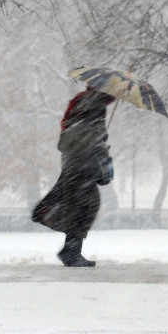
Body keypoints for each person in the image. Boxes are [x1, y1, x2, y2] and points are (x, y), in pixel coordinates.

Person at [32, 86, 116, 267]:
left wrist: (98, 140)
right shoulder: (96, 103)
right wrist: (101, 145)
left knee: (79, 205)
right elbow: (91, 133)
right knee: (84, 207)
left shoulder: (83, 100)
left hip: (73, 160)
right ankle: (70, 251)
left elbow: (76, 130)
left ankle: (70, 250)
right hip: (82, 162)